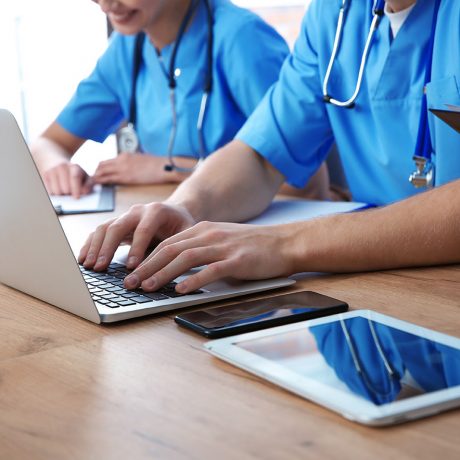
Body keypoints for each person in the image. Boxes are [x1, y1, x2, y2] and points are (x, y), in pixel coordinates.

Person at [79, 0, 460, 296]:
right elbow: (262, 154)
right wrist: (185, 208)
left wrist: (287, 244)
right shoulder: (336, 15)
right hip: (377, 280)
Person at [30, 0, 294, 198]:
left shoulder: (242, 38)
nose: (106, 5)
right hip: (176, 222)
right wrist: (59, 169)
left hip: (254, 229)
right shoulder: (126, 48)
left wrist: (169, 168)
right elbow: (47, 143)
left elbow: (302, 181)